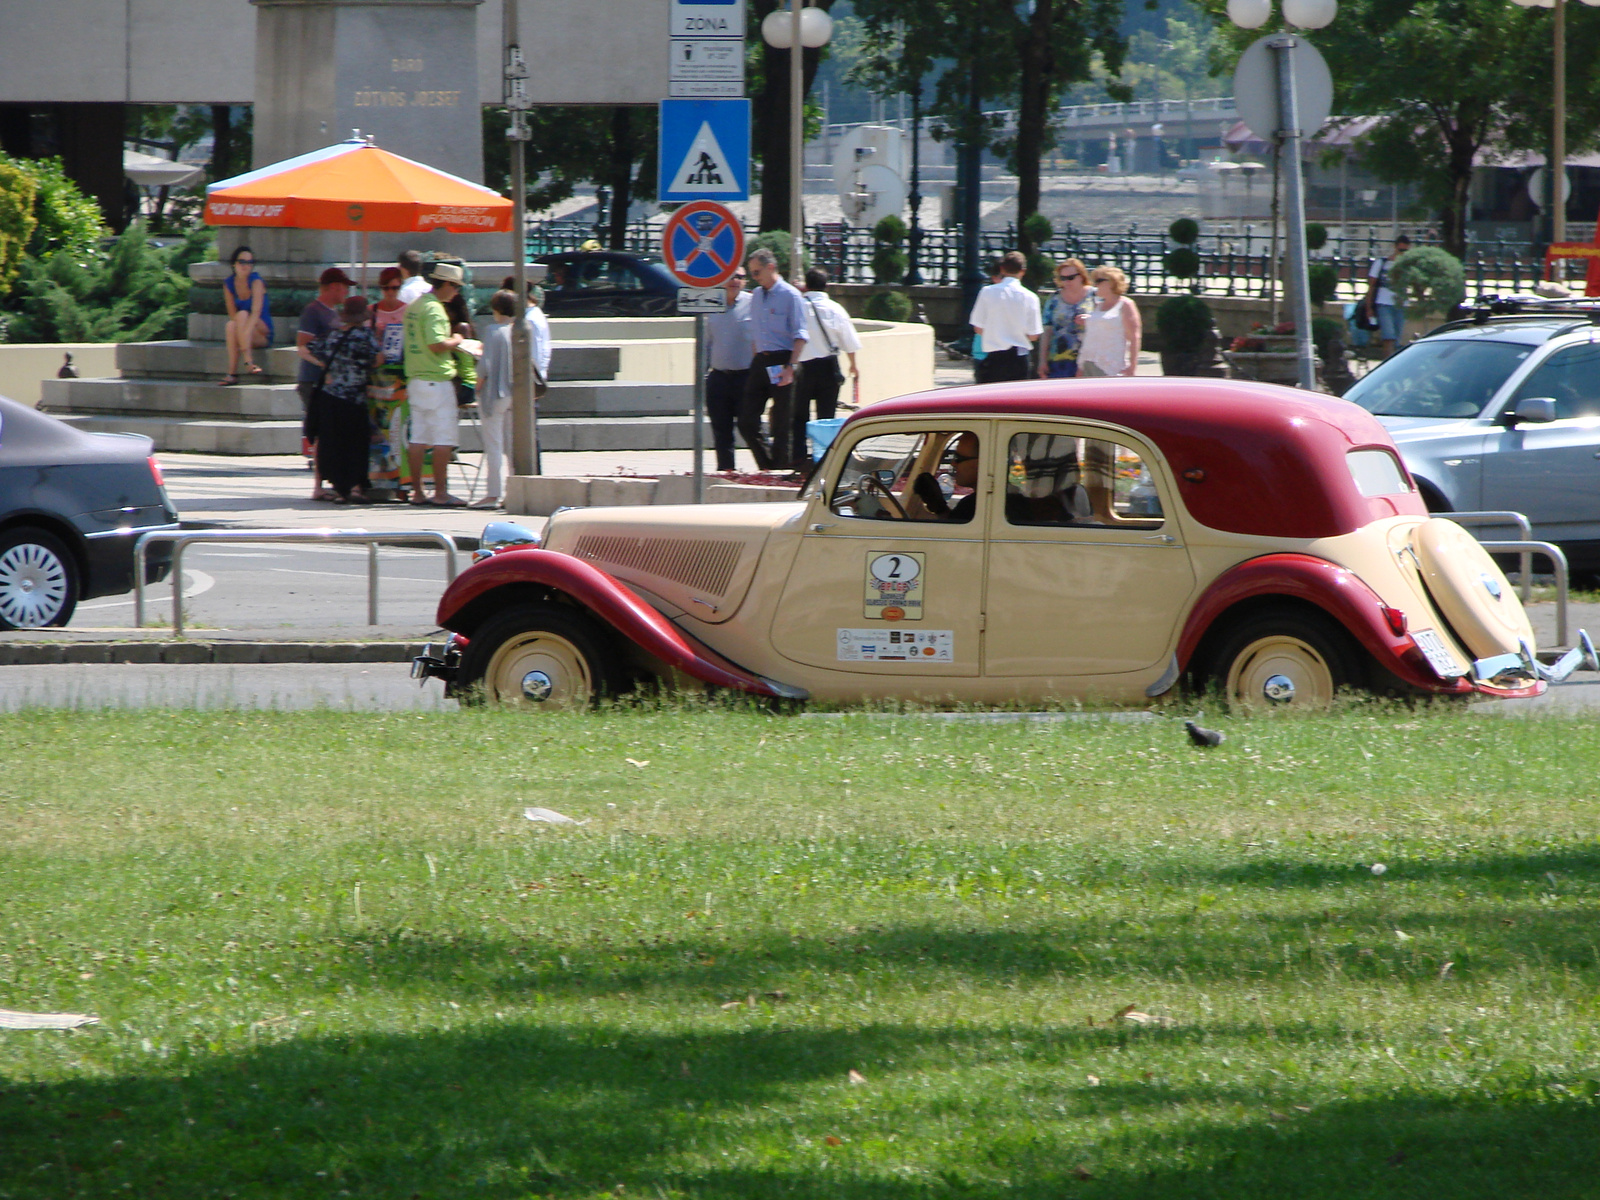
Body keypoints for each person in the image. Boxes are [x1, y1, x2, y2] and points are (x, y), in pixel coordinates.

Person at [476, 288, 552, 509]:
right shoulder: (520, 330)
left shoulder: (493, 331)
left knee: (494, 445)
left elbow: (484, 366)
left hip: (494, 393)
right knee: (511, 446)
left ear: (496, 309)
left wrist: (477, 388)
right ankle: (513, 492)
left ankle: (493, 494)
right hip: (515, 394)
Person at [303, 295, 381, 504]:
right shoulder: (365, 335)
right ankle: (355, 489)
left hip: (331, 397)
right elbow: (377, 358)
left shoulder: (333, 335)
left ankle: (339, 491)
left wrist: (328, 368)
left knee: (335, 445)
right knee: (356, 444)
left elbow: (310, 349)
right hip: (354, 397)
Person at [401, 260, 467, 506]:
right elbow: (436, 344)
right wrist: (457, 340)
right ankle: (440, 492)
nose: (457, 292)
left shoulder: (415, 305)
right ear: (447, 284)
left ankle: (417, 491)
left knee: (418, 437)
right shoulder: (434, 309)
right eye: (456, 287)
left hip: (416, 378)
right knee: (443, 439)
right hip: (436, 379)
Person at [741, 247, 809, 471]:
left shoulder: (791, 296)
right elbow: (755, 331)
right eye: (752, 273)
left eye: (757, 272)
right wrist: (755, 359)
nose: (754, 277)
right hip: (761, 361)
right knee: (746, 422)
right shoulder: (757, 295)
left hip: (784, 360)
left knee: (781, 424)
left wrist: (791, 368)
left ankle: (780, 471)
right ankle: (768, 465)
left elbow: (800, 335)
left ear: (771, 268)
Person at [295, 267, 354, 500]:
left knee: (329, 432)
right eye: (344, 287)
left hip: (329, 381)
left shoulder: (334, 313)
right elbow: (302, 347)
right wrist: (324, 366)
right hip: (314, 380)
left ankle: (327, 481)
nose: (346, 292)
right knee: (322, 433)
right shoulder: (313, 311)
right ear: (333, 287)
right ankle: (318, 485)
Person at [793, 267, 862, 465]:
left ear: (806, 285)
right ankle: (825, 459)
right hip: (828, 367)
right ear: (827, 286)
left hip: (802, 367)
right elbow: (849, 340)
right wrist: (853, 366)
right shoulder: (835, 309)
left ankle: (799, 456)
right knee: (826, 418)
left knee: (799, 416)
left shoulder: (798, 306)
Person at [703, 265, 753, 473]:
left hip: (747, 378)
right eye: (731, 276)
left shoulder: (753, 303)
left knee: (750, 427)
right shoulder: (710, 304)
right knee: (721, 430)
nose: (735, 280)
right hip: (719, 378)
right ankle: (726, 471)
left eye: (740, 277)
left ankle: (768, 468)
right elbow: (706, 343)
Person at [969, 250, 1041, 383]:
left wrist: (995, 334)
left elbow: (978, 328)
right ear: (1023, 271)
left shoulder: (987, 292)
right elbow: (1034, 335)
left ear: (1002, 269)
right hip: (1019, 358)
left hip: (994, 356)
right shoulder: (1031, 297)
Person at [1078, 266, 1142, 379]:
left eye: (1098, 281)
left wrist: (1132, 366)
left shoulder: (1125, 305)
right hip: (1088, 362)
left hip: (1111, 366)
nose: (1095, 285)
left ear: (1111, 282)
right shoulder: (1098, 305)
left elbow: (1134, 337)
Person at [221, 245, 272, 385]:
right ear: (234, 264)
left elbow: (255, 313)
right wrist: (242, 335)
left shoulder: (256, 281)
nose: (246, 266)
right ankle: (232, 373)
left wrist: (244, 343)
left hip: (261, 330)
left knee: (243, 314)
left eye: (249, 263)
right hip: (242, 328)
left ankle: (248, 361)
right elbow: (232, 315)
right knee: (231, 325)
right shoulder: (229, 283)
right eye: (242, 262)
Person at [1039, 258, 1093, 379]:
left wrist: (1091, 319)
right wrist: (1042, 361)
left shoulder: (1095, 296)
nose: (1067, 281)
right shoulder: (1054, 299)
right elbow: (1047, 331)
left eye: (1071, 277)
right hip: (1059, 360)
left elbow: (1107, 321)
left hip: (1089, 359)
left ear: (1081, 276)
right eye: (1063, 278)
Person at [911, 432, 981, 523]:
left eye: (958, 458)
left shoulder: (976, 505)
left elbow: (955, 533)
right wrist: (938, 506)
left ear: (982, 461)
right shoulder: (972, 504)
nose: (953, 464)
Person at [1363, 234, 1410, 359]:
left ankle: (1393, 364)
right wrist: (1369, 308)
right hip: (1383, 303)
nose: (1402, 253)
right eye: (1401, 250)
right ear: (1395, 248)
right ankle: (1386, 361)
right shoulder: (1382, 263)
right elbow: (1371, 286)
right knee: (1388, 336)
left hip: (1401, 304)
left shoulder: (1408, 266)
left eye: (1405, 251)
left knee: (1397, 338)